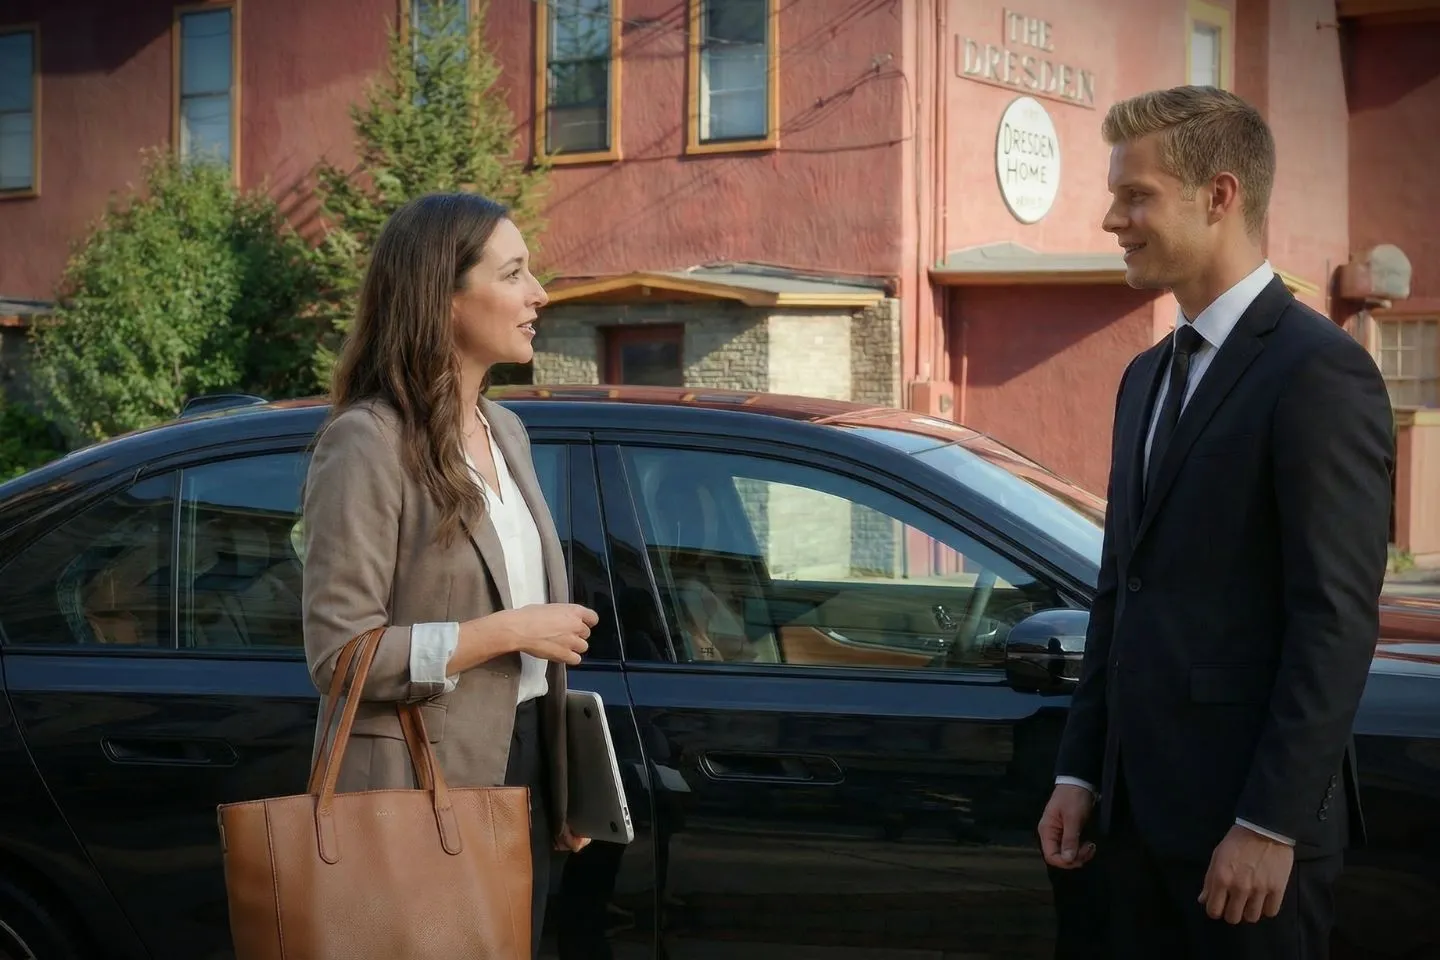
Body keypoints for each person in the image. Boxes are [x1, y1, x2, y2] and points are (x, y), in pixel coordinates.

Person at [1036, 86, 1394, 959]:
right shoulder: (1145, 377)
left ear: (1219, 195)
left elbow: (1335, 621)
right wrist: (1081, 771)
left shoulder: (1320, 374)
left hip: (1251, 848)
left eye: (1136, 195)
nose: (1113, 218)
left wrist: (1269, 823)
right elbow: (1120, 591)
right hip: (1128, 836)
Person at [300, 192, 599, 958]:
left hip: (522, 772)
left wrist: (561, 786)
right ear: (445, 298)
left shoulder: (507, 430)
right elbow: (341, 657)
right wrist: (501, 633)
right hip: (416, 787)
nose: (538, 294)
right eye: (514, 273)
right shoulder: (366, 442)